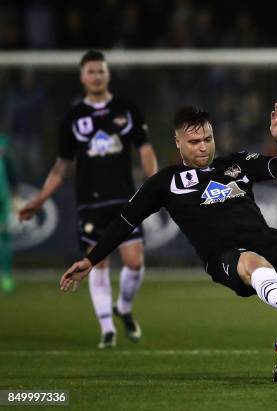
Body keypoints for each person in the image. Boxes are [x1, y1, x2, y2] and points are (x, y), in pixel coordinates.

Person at [59, 103, 277, 382]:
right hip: (226, 256)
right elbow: (125, 221)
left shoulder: (235, 164)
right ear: (178, 142)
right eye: (194, 141)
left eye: (207, 139)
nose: (203, 146)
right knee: (252, 262)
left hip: (272, 244)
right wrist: (91, 258)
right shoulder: (165, 183)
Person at [19, 50, 159, 348]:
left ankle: (123, 307)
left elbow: (145, 149)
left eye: (101, 70)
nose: (96, 76)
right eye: (91, 71)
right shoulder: (73, 118)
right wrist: (40, 200)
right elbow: (62, 165)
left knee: (134, 263)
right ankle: (107, 329)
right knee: (97, 262)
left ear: (108, 75)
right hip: (90, 203)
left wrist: (157, 185)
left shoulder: (126, 109)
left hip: (125, 199)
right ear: (82, 77)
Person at [0, 132, 17, 293]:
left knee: (4, 237)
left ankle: (6, 276)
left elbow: (10, 167)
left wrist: (14, 188)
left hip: (2, 195)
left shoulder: (3, 141)